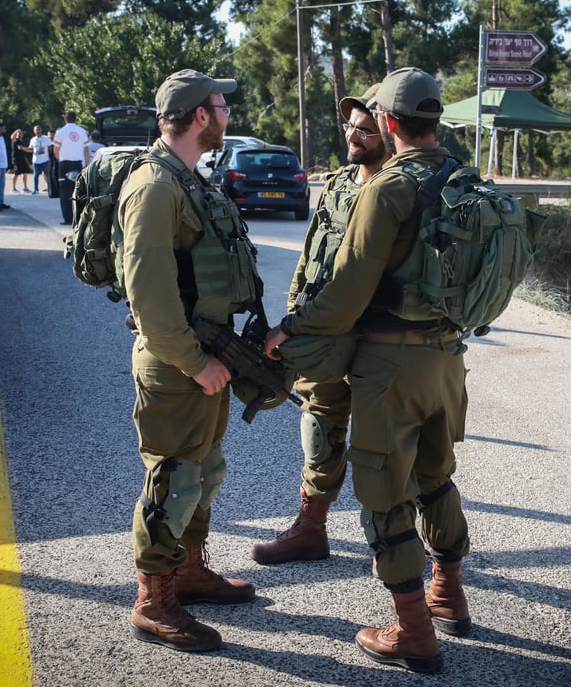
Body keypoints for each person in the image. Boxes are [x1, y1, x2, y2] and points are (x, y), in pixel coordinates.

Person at [263, 68, 469, 674]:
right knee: (436, 476)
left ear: (388, 122)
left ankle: (413, 633)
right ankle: (448, 591)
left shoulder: (389, 188)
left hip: (389, 361)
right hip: (447, 358)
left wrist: (290, 330)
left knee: (383, 492)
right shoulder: (461, 177)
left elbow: (347, 291)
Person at [119, 68, 258, 653]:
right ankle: (154, 600)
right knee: (174, 477)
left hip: (207, 354)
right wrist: (194, 364)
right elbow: (147, 294)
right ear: (200, 116)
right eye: (221, 105)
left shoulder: (189, 179)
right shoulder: (155, 186)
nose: (227, 113)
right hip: (179, 362)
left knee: (204, 472)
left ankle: (190, 570)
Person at [250, 83, 385, 566]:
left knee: (384, 445)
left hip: (380, 338)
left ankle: (393, 548)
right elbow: (309, 261)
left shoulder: (397, 187)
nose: (353, 135)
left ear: (389, 130)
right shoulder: (340, 184)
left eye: (365, 129)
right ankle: (311, 528)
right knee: (320, 424)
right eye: (350, 126)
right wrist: (293, 323)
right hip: (325, 333)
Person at [53, 111, 89, 225]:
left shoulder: (60, 132)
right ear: (75, 119)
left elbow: (55, 149)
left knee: (65, 192)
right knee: (78, 190)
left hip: (65, 164)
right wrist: (87, 163)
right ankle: (78, 218)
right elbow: (86, 149)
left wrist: (60, 160)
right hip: (78, 164)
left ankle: (68, 218)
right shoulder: (82, 131)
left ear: (65, 119)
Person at [30, 126, 53, 194]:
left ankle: (50, 188)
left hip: (45, 160)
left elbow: (50, 147)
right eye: (36, 130)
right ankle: (36, 189)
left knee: (47, 175)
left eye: (39, 130)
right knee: (35, 175)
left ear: (41, 130)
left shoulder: (46, 138)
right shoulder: (33, 139)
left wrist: (50, 156)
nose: (38, 131)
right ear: (34, 131)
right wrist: (23, 148)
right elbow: (31, 149)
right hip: (36, 161)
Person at [10, 128, 33, 194]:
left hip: (22, 159)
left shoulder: (22, 141)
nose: (20, 134)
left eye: (21, 133)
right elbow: (12, 137)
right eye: (19, 133)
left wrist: (27, 162)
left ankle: (25, 187)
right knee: (16, 173)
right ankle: (13, 187)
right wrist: (16, 130)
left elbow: (23, 151)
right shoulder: (15, 140)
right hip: (16, 159)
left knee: (25, 173)